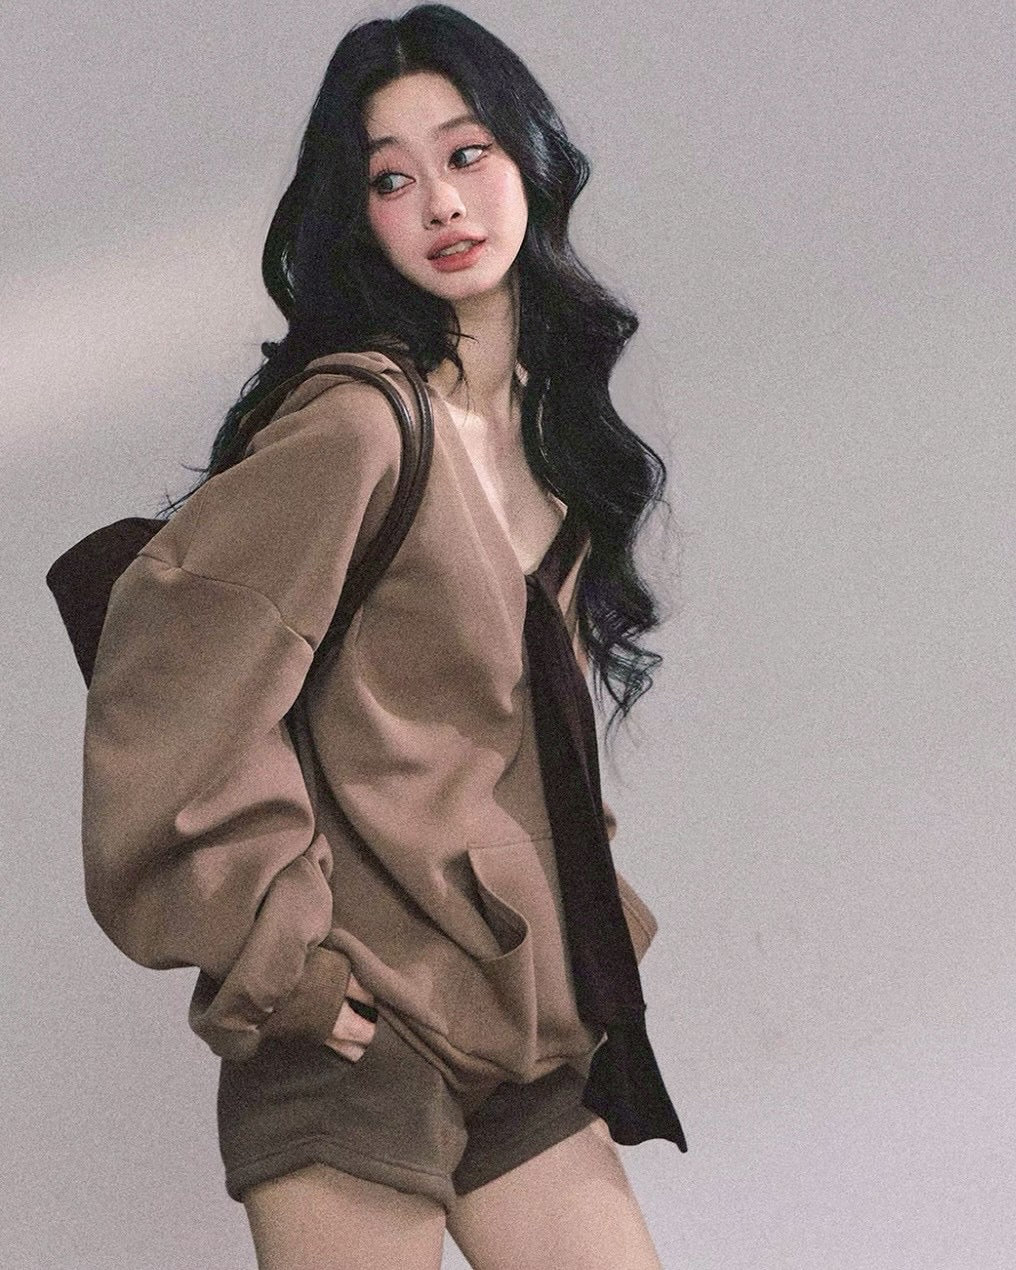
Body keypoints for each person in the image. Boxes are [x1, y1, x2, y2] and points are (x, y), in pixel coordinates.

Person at [80, 5, 685, 1266]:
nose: (440, 202)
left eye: (465, 154)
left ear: (529, 159)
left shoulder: (547, 439)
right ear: (357, 216)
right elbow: (163, 681)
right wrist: (281, 957)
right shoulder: (360, 425)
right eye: (390, 179)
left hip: (514, 1019)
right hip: (356, 1035)